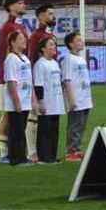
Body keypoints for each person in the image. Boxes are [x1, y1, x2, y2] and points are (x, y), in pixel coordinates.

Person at [0, 0, 29, 164]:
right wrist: (7, 77)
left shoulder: (19, 25)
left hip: (21, 77)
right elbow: (5, 53)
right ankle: (3, 152)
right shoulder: (8, 27)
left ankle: (17, 150)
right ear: (11, 6)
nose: (24, 5)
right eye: (20, 3)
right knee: (8, 114)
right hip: (9, 77)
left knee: (18, 113)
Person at [61, 32, 93, 162]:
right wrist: (71, 99)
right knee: (74, 126)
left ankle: (77, 149)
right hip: (77, 99)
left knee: (82, 125)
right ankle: (71, 151)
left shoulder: (81, 59)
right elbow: (67, 80)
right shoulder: (68, 59)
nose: (82, 42)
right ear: (71, 44)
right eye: (78, 40)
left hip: (85, 98)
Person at [32, 36, 64, 164]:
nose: (53, 47)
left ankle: (52, 155)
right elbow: (38, 84)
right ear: (43, 49)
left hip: (56, 102)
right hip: (47, 102)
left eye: (54, 45)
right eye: (50, 45)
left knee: (54, 130)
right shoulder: (40, 64)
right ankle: (44, 156)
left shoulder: (55, 63)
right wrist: (41, 101)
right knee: (45, 131)